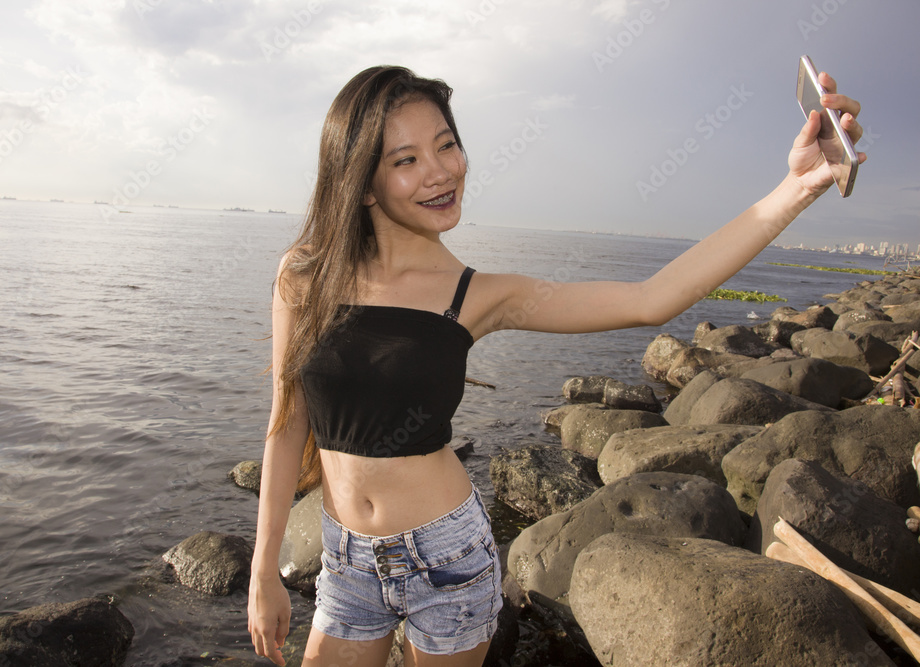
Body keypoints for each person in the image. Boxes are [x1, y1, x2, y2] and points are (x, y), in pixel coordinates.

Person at [247, 65, 865, 667]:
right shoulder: (303, 277)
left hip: (447, 556)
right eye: (405, 160)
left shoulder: (480, 295)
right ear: (361, 180)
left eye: (447, 146)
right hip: (346, 559)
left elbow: (652, 298)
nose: (441, 173)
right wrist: (263, 569)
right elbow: (286, 423)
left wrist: (798, 188)